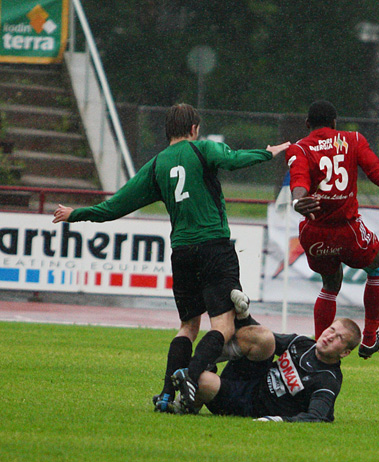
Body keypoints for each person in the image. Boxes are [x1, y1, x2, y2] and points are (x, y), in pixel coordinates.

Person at [52, 103, 290, 413]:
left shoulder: (156, 166)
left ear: (167, 132)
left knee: (188, 326)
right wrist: (267, 153)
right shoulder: (203, 149)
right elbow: (233, 160)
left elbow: (114, 207)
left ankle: (165, 395)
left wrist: (76, 214)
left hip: (182, 252)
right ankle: (190, 377)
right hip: (214, 247)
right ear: (194, 129)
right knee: (223, 326)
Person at [286, 100, 379, 359]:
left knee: (330, 284)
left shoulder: (299, 147)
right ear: (335, 123)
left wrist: (297, 201)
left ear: (307, 124)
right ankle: (369, 339)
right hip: (347, 231)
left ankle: (317, 351)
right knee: (378, 267)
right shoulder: (352, 140)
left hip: (315, 234)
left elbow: (299, 180)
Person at [171, 316, 362, 422]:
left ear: (345, 353)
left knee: (203, 381)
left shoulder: (328, 380)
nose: (329, 336)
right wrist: (244, 316)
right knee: (264, 337)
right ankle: (201, 364)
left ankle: (187, 400)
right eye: (331, 330)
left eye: (339, 338)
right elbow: (260, 336)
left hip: (248, 404)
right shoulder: (303, 343)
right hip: (252, 375)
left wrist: (277, 420)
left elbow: (317, 417)